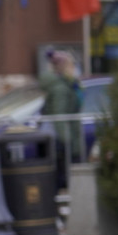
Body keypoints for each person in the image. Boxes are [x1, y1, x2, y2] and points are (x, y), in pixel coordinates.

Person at [40, 49, 84, 190]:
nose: (75, 68)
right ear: (65, 67)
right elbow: (59, 116)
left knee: (65, 174)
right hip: (65, 138)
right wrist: (67, 141)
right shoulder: (61, 88)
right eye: (72, 65)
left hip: (68, 135)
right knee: (65, 174)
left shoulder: (68, 85)